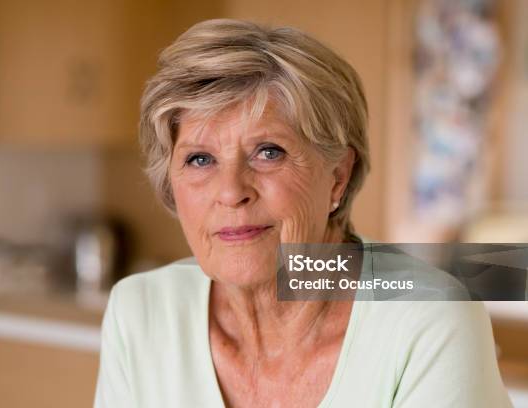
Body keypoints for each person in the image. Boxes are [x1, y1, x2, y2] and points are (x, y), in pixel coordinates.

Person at [94, 19, 511, 407]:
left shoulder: (430, 318)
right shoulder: (140, 311)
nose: (231, 191)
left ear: (337, 177)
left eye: (268, 152)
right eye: (200, 159)